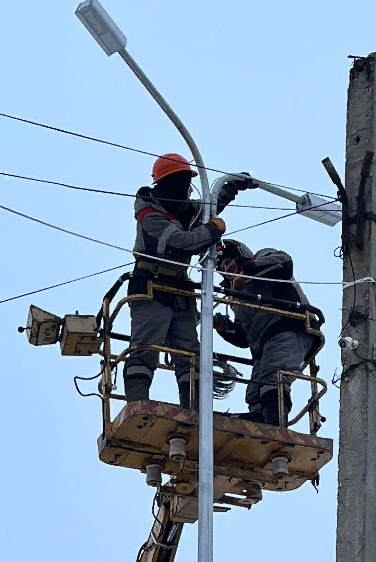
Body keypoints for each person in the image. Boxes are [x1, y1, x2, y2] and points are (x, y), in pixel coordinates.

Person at [125, 153, 250, 409]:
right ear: (168, 182)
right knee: (146, 347)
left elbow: (209, 208)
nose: (186, 187)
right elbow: (182, 240)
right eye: (182, 180)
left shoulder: (180, 208)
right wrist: (214, 230)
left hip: (179, 290)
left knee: (190, 353)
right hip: (151, 287)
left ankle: (193, 410)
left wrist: (231, 187)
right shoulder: (150, 213)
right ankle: (138, 405)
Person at [213, 241, 322, 426]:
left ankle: (276, 426)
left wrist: (246, 273)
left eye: (229, 261)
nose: (226, 267)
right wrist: (225, 328)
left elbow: (283, 263)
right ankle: (260, 421)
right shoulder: (236, 297)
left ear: (240, 256)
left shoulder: (262, 257)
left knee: (275, 378)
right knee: (255, 392)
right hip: (263, 346)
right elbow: (244, 337)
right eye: (222, 267)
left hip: (288, 328)